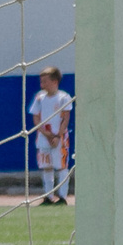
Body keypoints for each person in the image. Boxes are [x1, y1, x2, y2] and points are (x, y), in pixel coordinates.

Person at [30, 66, 73, 204]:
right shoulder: (39, 97)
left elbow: (66, 118)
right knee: (46, 167)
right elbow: (36, 117)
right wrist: (45, 133)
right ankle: (48, 196)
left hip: (59, 139)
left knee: (61, 166)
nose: (42, 85)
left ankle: (62, 197)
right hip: (43, 139)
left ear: (55, 81)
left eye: (45, 81)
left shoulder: (63, 97)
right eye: (41, 82)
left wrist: (57, 135)